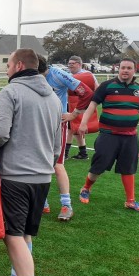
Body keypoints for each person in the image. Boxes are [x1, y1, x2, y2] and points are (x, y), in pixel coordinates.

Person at [0, 49, 62, 276]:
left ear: (19, 65)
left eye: (8, 64)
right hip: (43, 175)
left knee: (12, 235)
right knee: (25, 232)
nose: (7, 69)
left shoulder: (11, 92)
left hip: (15, 175)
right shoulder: (55, 98)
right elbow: (57, 145)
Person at [77, 58, 139, 212]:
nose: (125, 71)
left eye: (129, 68)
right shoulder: (106, 86)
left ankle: (130, 201)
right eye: (123, 68)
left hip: (130, 137)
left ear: (134, 70)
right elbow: (92, 105)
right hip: (108, 135)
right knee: (99, 166)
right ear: (118, 69)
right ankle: (86, 188)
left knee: (128, 168)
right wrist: (83, 123)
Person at [37, 55, 92, 221]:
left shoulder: (57, 74)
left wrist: (73, 115)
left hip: (55, 125)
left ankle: (66, 205)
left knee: (57, 164)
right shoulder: (29, 77)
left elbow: (87, 92)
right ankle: (41, 202)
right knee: (37, 162)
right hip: (36, 124)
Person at [67, 55, 99, 160]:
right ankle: (83, 153)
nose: (70, 65)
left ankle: (65, 153)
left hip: (79, 105)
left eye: (73, 63)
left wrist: (92, 103)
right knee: (74, 129)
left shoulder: (87, 75)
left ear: (80, 64)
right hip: (72, 104)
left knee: (70, 129)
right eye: (69, 63)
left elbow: (97, 88)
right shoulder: (68, 75)